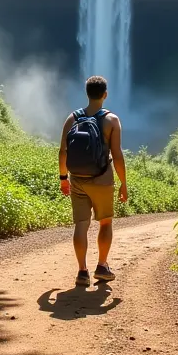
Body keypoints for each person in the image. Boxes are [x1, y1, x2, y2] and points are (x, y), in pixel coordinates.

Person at [58, 75, 128, 286]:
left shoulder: (72, 118)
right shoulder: (112, 120)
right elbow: (116, 155)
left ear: (86, 94)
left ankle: (82, 271)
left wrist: (63, 178)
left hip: (77, 179)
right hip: (102, 179)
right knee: (105, 222)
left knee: (81, 224)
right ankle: (102, 266)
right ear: (105, 95)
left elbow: (63, 152)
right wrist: (124, 183)